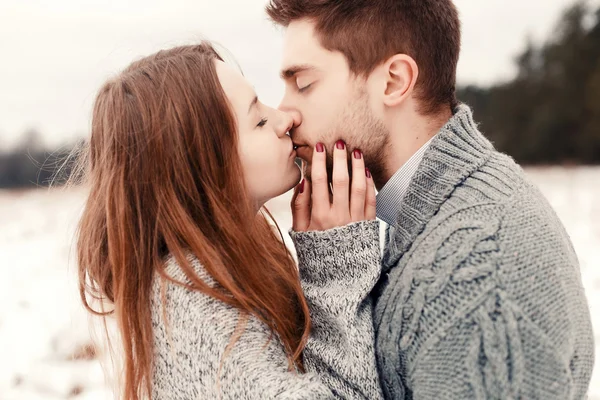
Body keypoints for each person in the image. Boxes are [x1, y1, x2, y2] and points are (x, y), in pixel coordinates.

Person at [267, 0, 595, 398]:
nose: (284, 115)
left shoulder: (480, 272)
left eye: (303, 84)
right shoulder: (436, 217)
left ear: (394, 81)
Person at [74, 42, 384, 399]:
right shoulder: (197, 312)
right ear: (203, 166)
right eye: (259, 120)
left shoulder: (212, 272)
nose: (286, 119)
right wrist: (336, 267)